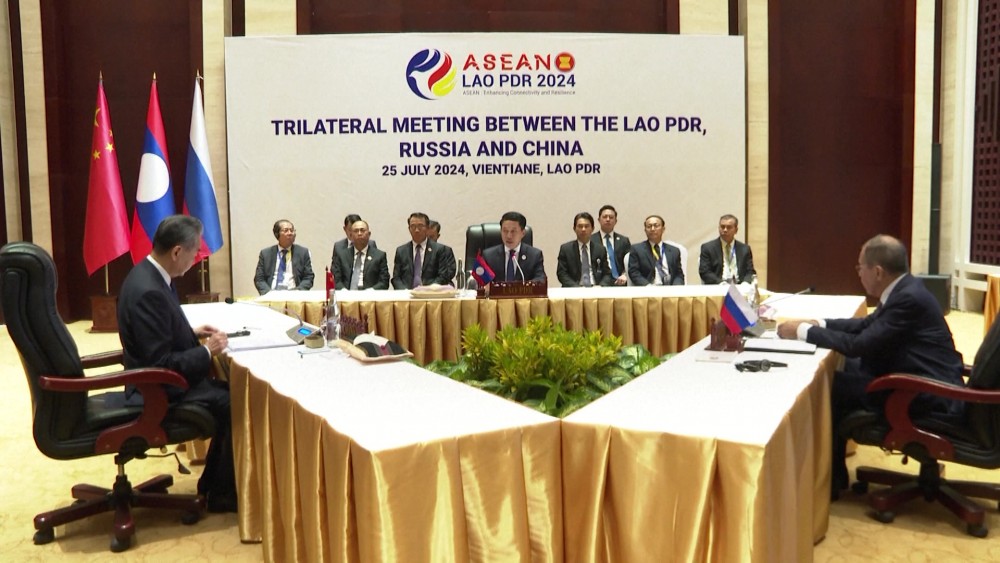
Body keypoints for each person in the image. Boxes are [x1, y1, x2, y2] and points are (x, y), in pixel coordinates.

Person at [777, 234, 964, 499]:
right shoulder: (905, 288)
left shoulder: (907, 298)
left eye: (859, 267)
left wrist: (802, 332)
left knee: (832, 386)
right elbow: (866, 325)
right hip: (924, 377)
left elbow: (860, 345)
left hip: (928, 394)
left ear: (877, 271)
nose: (858, 273)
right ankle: (835, 474)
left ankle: (831, 482)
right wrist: (819, 324)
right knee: (846, 369)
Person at [116, 215, 236, 512]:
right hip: (155, 391)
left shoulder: (148, 274)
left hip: (151, 378)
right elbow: (161, 364)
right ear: (177, 251)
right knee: (234, 402)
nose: (195, 259)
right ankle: (221, 494)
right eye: (194, 252)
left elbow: (154, 335)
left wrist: (190, 333)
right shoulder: (150, 291)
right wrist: (207, 351)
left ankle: (212, 485)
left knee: (227, 391)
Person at [391, 212, 457, 289]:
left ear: (427, 228)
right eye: (413, 226)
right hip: (406, 293)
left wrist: (429, 289)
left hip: (430, 292)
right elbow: (396, 278)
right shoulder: (401, 251)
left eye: (420, 226)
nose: (416, 230)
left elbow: (443, 276)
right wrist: (404, 291)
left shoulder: (439, 249)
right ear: (409, 229)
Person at [253, 219, 315, 294]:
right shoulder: (266, 254)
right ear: (277, 234)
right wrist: (269, 294)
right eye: (286, 230)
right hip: (271, 294)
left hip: (294, 294)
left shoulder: (303, 252)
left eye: (292, 230)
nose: (290, 233)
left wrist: (298, 292)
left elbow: (308, 277)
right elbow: (259, 279)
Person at [483, 211, 546, 282]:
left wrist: (523, 286)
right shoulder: (489, 256)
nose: (509, 236)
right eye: (505, 231)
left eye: (513, 231)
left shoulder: (535, 255)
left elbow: (541, 279)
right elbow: (481, 281)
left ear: (523, 233)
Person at [557, 212, 612, 287]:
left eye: (586, 226)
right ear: (574, 229)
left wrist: (601, 286)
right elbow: (562, 273)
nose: (583, 229)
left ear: (592, 229)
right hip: (575, 289)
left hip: (596, 288)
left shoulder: (600, 250)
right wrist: (576, 288)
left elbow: (607, 274)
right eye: (580, 226)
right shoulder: (566, 249)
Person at [699, 214, 756, 284]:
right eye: (722, 227)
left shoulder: (745, 249)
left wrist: (745, 283)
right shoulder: (708, 248)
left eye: (729, 227)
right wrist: (720, 283)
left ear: (736, 230)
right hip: (718, 285)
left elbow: (750, 272)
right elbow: (705, 272)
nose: (725, 230)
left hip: (739, 286)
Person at [331, 219, 389, 289]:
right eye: (356, 231)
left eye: (362, 230)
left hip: (370, 294)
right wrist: (344, 292)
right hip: (346, 294)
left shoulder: (379, 256)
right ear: (351, 236)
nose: (359, 233)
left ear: (369, 234)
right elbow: (336, 280)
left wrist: (371, 291)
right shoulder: (342, 256)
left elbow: (384, 282)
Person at [627, 215, 684, 286]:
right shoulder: (637, 249)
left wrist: (676, 287)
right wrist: (648, 286)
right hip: (649, 288)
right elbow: (634, 272)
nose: (652, 229)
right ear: (645, 230)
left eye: (656, 226)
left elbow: (678, 274)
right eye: (649, 226)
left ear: (663, 229)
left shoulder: (674, 251)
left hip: (670, 288)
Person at [591, 205, 631, 286]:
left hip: (621, 282)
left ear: (616, 221)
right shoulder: (591, 240)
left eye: (611, 217)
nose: (608, 219)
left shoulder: (624, 240)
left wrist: (625, 275)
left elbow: (631, 261)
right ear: (599, 220)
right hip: (599, 284)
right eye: (605, 217)